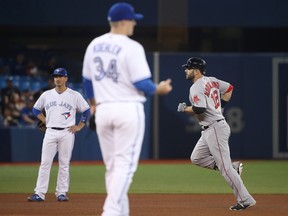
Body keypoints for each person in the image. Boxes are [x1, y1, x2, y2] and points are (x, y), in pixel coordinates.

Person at [82, 2, 172, 215]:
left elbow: (87, 81)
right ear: (123, 21)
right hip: (128, 109)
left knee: (113, 167)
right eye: (132, 20)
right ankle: (110, 211)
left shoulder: (94, 44)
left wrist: (94, 106)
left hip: (103, 110)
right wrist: (160, 89)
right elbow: (142, 84)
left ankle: (120, 212)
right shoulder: (132, 46)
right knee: (125, 167)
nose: (134, 24)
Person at [177, 57, 256, 211]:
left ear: (196, 70)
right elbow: (229, 88)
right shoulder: (211, 80)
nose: (186, 70)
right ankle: (234, 167)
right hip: (210, 129)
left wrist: (185, 108)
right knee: (196, 158)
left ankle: (245, 199)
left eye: (188, 68)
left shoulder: (196, 87)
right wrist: (221, 108)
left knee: (225, 169)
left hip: (215, 129)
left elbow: (199, 109)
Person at [27, 68, 90, 202]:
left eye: (60, 76)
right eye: (55, 76)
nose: (57, 78)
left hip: (67, 132)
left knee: (64, 164)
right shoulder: (46, 95)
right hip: (50, 131)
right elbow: (35, 109)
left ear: (66, 78)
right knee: (45, 163)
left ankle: (61, 193)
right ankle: (39, 193)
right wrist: (44, 120)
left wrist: (79, 126)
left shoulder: (74, 95)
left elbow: (86, 111)